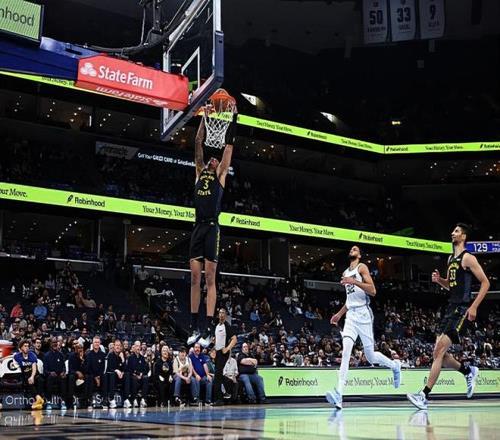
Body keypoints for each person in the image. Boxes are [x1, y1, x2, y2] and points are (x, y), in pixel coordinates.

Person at [407, 224, 490, 410]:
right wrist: (440, 281)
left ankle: (424, 395)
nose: (453, 233)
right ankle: (468, 371)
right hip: (450, 307)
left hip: (461, 308)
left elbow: (486, 283)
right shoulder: (450, 258)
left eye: (457, 231)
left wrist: (474, 306)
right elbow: (451, 287)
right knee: (440, 355)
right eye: (453, 231)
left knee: (438, 351)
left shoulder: (468, 258)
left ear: (464, 236)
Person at [326, 245, 401, 410]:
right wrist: (339, 314)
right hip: (351, 316)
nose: (352, 249)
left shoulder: (362, 267)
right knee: (346, 352)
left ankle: (395, 366)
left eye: (355, 249)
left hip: (364, 314)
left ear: (359, 255)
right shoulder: (345, 273)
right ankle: (339, 394)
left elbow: (373, 291)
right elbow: (349, 300)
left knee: (371, 357)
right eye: (351, 249)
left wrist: (354, 281)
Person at [188, 110, 238, 347]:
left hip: (212, 228)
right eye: (212, 159)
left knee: (210, 278)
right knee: (194, 278)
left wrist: (233, 119)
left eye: (216, 160)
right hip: (198, 227)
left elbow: (228, 147)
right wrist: (204, 117)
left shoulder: (220, 176)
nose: (214, 160)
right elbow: (198, 141)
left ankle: (208, 327)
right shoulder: (199, 172)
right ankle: (193, 325)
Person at [212, 308, 237, 406]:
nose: (221, 314)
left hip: (223, 353)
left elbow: (234, 339)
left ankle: (219, 399)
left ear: (225, 315)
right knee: (217, 375)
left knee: (217, 375)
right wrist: (214, 346)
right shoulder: (217, 325)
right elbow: (216, 339)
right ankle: (229, 386)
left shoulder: (227, 326)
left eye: (223, 313)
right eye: (220, 313)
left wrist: (227, 349)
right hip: (217, 352)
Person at [13, 339, 44, 410]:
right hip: (25, 375)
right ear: (21, 348)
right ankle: (38, 399)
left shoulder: (32, 355)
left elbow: (34, 368)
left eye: (27, 346)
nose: (27, 347)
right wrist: (2, 359)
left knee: (40, 380)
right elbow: (11, 357)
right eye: (25, 346)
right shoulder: (17, 356)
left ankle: (38, 400)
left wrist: (32, 376)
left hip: (34, 374)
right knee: (28, 380)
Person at [43, 337, 68, 410]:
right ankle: (49, 402)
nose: (55, 344)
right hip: (51, 376)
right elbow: (45, 370)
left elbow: (64, 367)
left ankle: (63, 401)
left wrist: (63, 372)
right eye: (53, 342)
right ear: (50, 344)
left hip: (59, 375)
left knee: (63, 378)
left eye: (56, 342)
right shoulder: (46, 355)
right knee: (50, 378)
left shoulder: (61, 355)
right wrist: (50, 373)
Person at [124, 341, 149, 408]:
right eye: (137, 346)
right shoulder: (130, 358)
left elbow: (145, 369)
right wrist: (136, 374)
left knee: (146, 378)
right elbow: (129, 369)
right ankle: (134, 399)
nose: (138, 348)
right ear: (134, 347)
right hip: (133, 376)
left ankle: (143, 399)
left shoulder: (142, 358)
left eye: (139, 346)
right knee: (134, 378)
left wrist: (141, 374)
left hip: (141, 376)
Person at [84, 336, 107, 409]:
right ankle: (89, 401)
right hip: (92, 375)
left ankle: (104, 400)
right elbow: (88, 368)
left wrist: (99, 377)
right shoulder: (89, 354)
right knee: (89, 377)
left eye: (98, 342)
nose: (96, 344)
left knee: (105, 376)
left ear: (100, 343)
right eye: (95, 342)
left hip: (100, 375)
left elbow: (103, 367)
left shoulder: (103, 354)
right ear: (92, 343)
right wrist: (95, 377)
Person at [105, 339, 126, 409]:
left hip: (120, 377)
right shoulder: (110, 355)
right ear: (114, 346)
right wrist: (116, 371)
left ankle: (126, 399)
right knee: (112, 374)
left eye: (119, 345)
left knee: (127, 375)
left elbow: (125, 368)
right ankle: (111, 399)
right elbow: (109, 368)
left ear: (121, 347)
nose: (118, 347)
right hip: (111, 376)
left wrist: (123, 359)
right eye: (116, 345)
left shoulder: (122, 355)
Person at [67, 342, 85, 408]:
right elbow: (70, 369)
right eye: (78, 348)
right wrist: (77, 372)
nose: (80, 349)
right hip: (74, 375)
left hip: (83, 375)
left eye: (81, 348)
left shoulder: (85, 356)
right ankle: (70, 402)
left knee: (89, 377)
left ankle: (84, 402)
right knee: (71, 377)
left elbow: (86, 369)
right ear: (75, 349)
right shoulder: (71, 356)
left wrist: (82, 361)